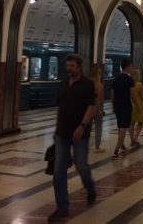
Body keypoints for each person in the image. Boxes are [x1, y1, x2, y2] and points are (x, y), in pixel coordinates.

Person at [49, 54, 96, 222]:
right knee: (58, 171)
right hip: (62, 134)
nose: (69, 69)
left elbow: (91, 106)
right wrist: (55, 131)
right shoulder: (63, 84)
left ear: (79, 67)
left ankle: (90, 188)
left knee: (82, 166)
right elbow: (60, 108)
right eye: (67, 66)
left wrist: (82, 126)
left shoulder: (88, 84)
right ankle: (62, 208)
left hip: (80, 134)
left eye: (72, 66)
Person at [111, 59, 134, 159]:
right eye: (131, 66)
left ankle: (122, 145)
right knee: (124, 128)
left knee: (120, 126)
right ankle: (116, 151)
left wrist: (113, 106)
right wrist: (137, 104)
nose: (132, 68)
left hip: (117, 106)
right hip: (126, 106)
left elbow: (112, 94)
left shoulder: (116, 78)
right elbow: (132, 95)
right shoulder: (129, 80)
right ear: (127, 66)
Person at [129, 69, 143, 146]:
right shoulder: (140, 84)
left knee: (132, 123)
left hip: (131, 105)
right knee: (140, 122)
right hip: (139, 105)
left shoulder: (130, 84)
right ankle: (135, 139)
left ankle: (132, 139)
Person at [90, 67, 105, 153]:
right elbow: (100, 99)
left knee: (88, 127)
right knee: (98, 127)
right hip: (96, 107)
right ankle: (97, 146)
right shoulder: (99, 86)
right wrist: (100, 110)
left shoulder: (89, 85)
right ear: (98, 75)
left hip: (89, 107)